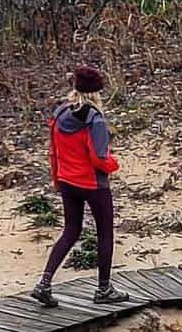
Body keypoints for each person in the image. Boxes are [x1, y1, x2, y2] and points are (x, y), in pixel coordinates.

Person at [31, 65, 130, 307]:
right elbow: (98, 157)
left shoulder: (60, 113)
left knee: (70, 230)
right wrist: (114, 164)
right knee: (104, 231)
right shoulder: (94, 118)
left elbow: (53, 152)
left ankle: (44, 283)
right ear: (96, 92)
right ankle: (104, 289)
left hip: (67, 180)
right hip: (92, 183)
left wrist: (57, 179)